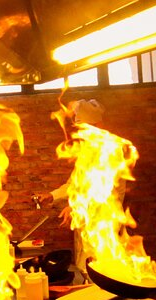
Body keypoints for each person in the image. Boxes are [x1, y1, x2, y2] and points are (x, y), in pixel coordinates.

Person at [35, 99, 111, 278]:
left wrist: (76, 207)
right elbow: (73, 185)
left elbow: (105, 194)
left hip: (103, 229)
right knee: (85, 273)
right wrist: (51, 196)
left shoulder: (110, 155)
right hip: (84, 228)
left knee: (102, 277)